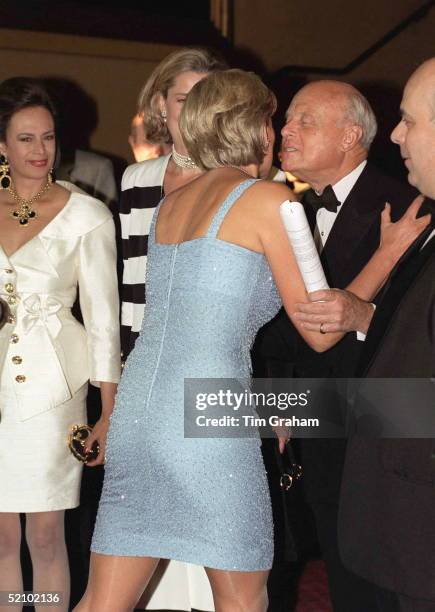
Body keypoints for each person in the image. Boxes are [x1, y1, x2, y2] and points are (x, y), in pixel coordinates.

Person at [73, 68, 427, 612]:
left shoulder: (172, 205)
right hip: (207, 418)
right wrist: (386, 255)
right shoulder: (269, 201)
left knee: (102, 601)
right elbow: (320, 332)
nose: (278, 132)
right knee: (242, 601)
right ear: (254, 128)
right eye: (273, 119)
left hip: (140, 414)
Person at [253, 79, 418, 611]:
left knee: (370, 577)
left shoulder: (406, 206)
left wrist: (363, 314)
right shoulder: (281, 205)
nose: (286, 130)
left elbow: (415, 325)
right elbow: (273, 326)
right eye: (287, 120)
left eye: (305, 120)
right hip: (300, 418)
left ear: (350, 135)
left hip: (376, 424)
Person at [296, 58, 435, 611]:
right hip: (392, 511)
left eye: (409, 120)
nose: (395, 134)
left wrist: (245, 408)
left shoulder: (401, 206)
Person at [0, 77, 120, 611]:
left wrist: (108, 414)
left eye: (47, 137)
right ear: (1, 144)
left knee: (46, 535)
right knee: (2, 538)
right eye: (25, 139)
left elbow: (104, 322)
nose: (39, 151)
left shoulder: (86, 214)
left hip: (53, 394)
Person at [120, 47, 225, 359]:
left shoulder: (245, 182)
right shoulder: (136, 179)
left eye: (206, 99)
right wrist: (128, 357)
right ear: (160, 104)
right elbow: (133, 280)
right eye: (183, 99)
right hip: (145, 352)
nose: (195, 111)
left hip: (212, 354)